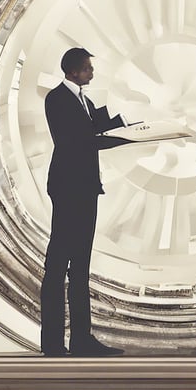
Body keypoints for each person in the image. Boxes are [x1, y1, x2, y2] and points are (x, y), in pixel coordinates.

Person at [40, 47, 130, 357]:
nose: (92, 72)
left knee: (80, 266)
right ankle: (52, 343)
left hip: (86, 188)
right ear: (74, 71)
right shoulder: (57, 99)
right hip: (68, 188)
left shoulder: (82, 99)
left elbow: (93, 130)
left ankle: (81, 339)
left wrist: (126, 126)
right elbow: (78, 140)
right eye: (88, 68)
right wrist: (128, 137)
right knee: (57, 265)